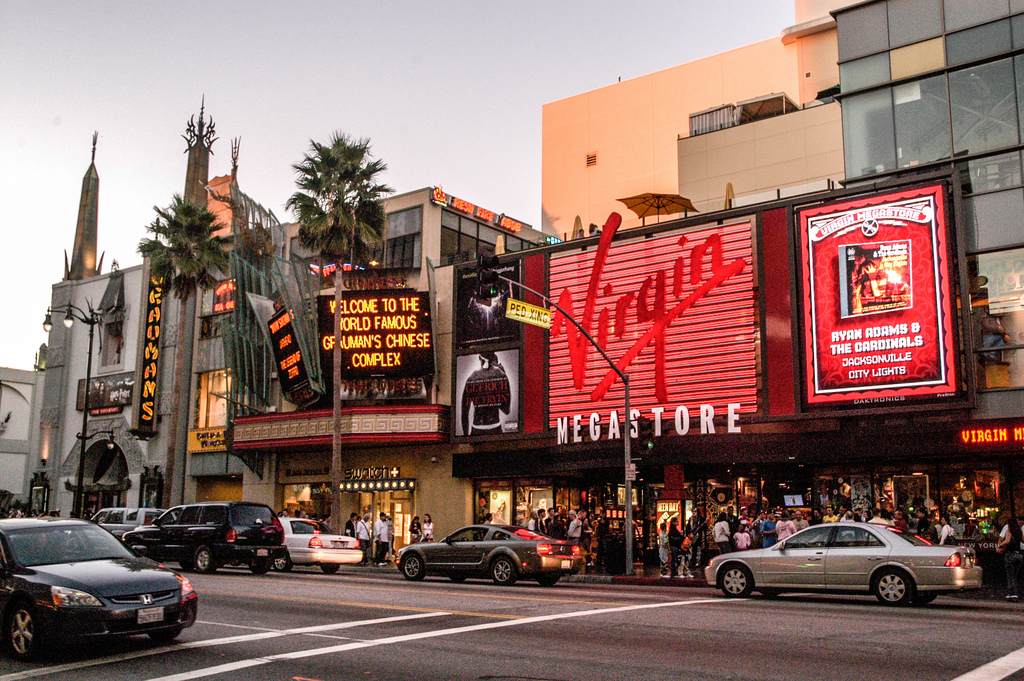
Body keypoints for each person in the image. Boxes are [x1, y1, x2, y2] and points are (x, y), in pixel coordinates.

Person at [999, 516, 1024, 601]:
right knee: (1016, 575)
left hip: (1010, 555)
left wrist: (1000, 545)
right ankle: (1015, 592)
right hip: (1019, 555)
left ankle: (1013, 593)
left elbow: (1007, 541)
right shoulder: (1019, 532)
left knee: (1010, 575)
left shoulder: (1009, 531)